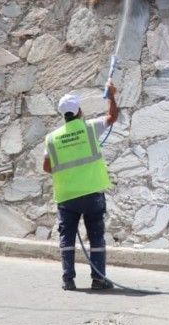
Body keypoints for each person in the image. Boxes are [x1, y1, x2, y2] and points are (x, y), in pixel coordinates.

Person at [43, 84, 119, 291]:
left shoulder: (52, 138)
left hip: (67, 196)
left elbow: (47, 167)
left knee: (67, 237)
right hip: (92, 192)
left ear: (63, 115)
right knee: (96, 236)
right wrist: (111, 95)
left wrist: (68, 174)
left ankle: (68, 279)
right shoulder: (90, 128)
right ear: (79, 111)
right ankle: (98, 278)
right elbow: (112, 117)